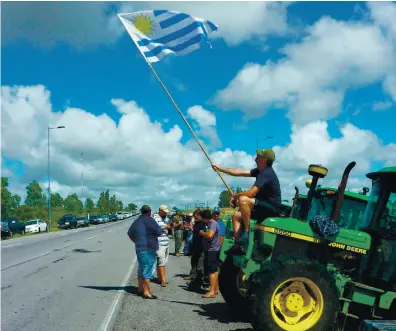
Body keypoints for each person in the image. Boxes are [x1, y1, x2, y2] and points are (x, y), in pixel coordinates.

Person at [211, 148, 281, 247]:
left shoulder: (267, 173)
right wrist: (220, 169)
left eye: (259, 155)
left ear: (264, 159)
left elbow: (252, 192)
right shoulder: (259, 171)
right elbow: (238, 172)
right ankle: (237, 245)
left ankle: (246, 233)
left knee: (243, 200)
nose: (256, 157)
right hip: (261, 206)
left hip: (272, 208)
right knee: (236, 215)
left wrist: (235, 196)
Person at [127, 205, 163, 299]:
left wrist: (137, 242)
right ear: (149, 212)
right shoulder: (150, 220)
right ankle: (146, 292)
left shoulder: (136, 221)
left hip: (139, 248)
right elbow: (160, 231)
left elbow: (130, 234)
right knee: (148, 269)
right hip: (149, 248)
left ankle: (140, 289)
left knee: (141, 268)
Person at [199, 209, 220, 298]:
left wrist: (202, 233)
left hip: (212, 250)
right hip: (213, 250)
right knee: (214, 270)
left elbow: (210, 235)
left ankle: (211, 291)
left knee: (211, 271)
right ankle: (215, 289)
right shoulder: (212, 223)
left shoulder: (213, 224)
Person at [152, 205, 172, 287]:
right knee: (161, 262)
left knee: (162, 262)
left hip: (165, 243)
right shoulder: (155, 219)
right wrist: (165, 227)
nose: (165, 213)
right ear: (160, 211)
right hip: (159, 243)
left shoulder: (166, 219)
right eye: (164, 212)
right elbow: (153, 230)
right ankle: (163, 280)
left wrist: (169, 227)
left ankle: (159, 278)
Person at [184, 209, 205, 283]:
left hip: (201, 246)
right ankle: (193, 275)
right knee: (194, 262)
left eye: (195, 216)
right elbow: (196, 232)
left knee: (200, 264)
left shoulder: (203, 223)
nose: (194, 217)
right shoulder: (197, 223)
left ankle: (200, 279)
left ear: (199, 215)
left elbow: (202, 234)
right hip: (195, 245)